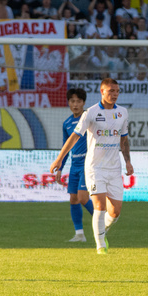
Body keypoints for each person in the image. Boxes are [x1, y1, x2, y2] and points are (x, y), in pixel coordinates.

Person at [50, 78, 133, 254]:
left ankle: (102, 231)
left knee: (115, 211)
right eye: (111, 91)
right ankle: (100, 246)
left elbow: (124, 139)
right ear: (102, 92)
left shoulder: (123, 113)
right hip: (95, 168)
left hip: (114, 168)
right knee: (99, 206)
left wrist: (127, 160)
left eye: (117, 91)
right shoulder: (91, 113)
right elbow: (73, 137)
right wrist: (59, 159)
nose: (115, 94)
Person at [57, 88, 95, 242]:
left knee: (82, 197)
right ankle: (80, 234)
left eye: (78, 101)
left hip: (88, 164)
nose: (75, 104)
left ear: (83, 103)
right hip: (75, 165)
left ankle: (103, 221)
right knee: (73, 199)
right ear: (68, 103)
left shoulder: (89, 119)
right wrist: (60, 168)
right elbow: (65, 148)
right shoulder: (66, 123)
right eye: (72, 101)